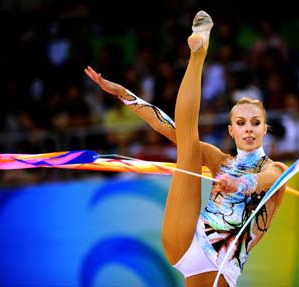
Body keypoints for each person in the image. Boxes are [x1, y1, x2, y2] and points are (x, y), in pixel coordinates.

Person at [85, 10, 287, 287]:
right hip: (186, 245)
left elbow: (265, 181)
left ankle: (199, 55)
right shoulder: (220, 160)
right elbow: (168, 128)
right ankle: (198, 55)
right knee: (188, 143)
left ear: (265, 128)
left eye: (255, 122)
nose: (248, 128)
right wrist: (124, 95)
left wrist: (238, 184)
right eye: (241, 123)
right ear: (231, 130)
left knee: (190, 144)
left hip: (224, 266)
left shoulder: (276, 169)